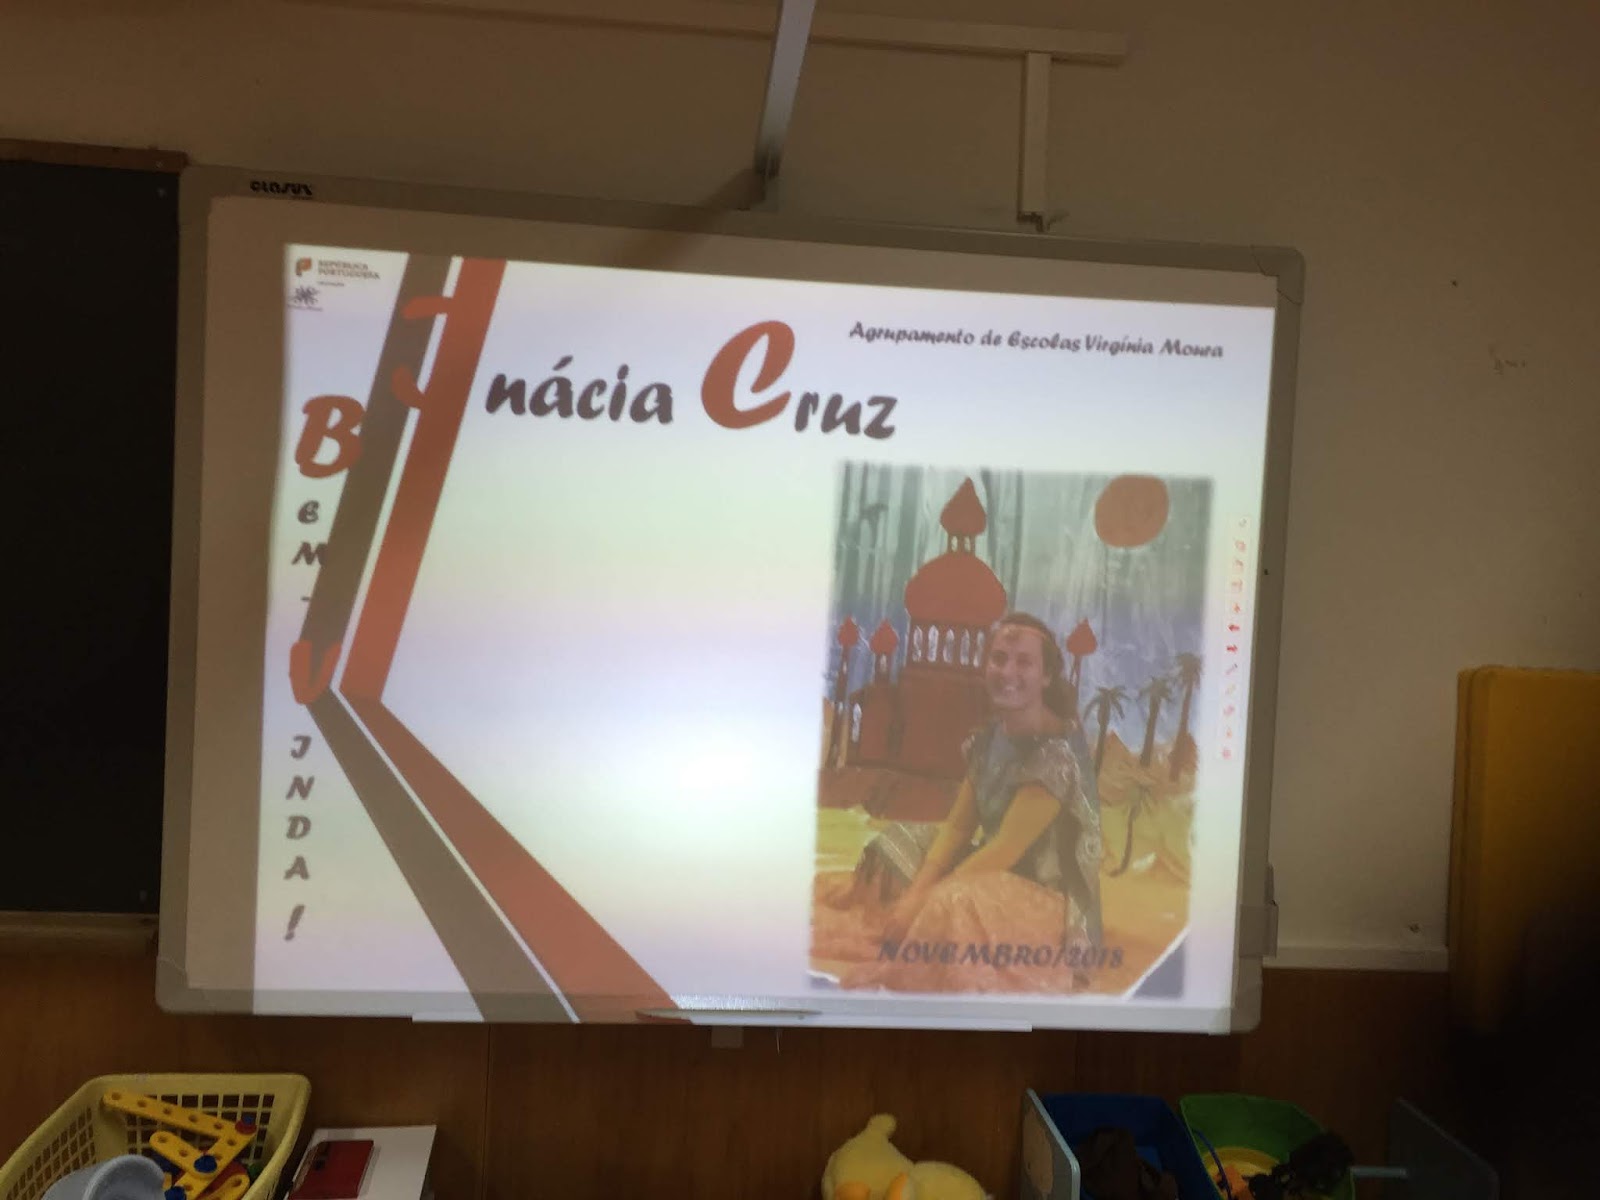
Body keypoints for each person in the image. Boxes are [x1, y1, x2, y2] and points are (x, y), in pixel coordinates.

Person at [883, 612, 1104, 954]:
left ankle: (916, 924)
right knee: (895, 844)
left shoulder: (1058, 755)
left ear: (1046, 676)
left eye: (1024, 662)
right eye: (999, 659)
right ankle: (907, 918)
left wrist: (925, 901)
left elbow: (1005, 848)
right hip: (995, 870)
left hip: (1045, 894)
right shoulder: (989, 739)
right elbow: (957, 828)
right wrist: (916, 894)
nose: (1007, 672)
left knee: (953, 902)